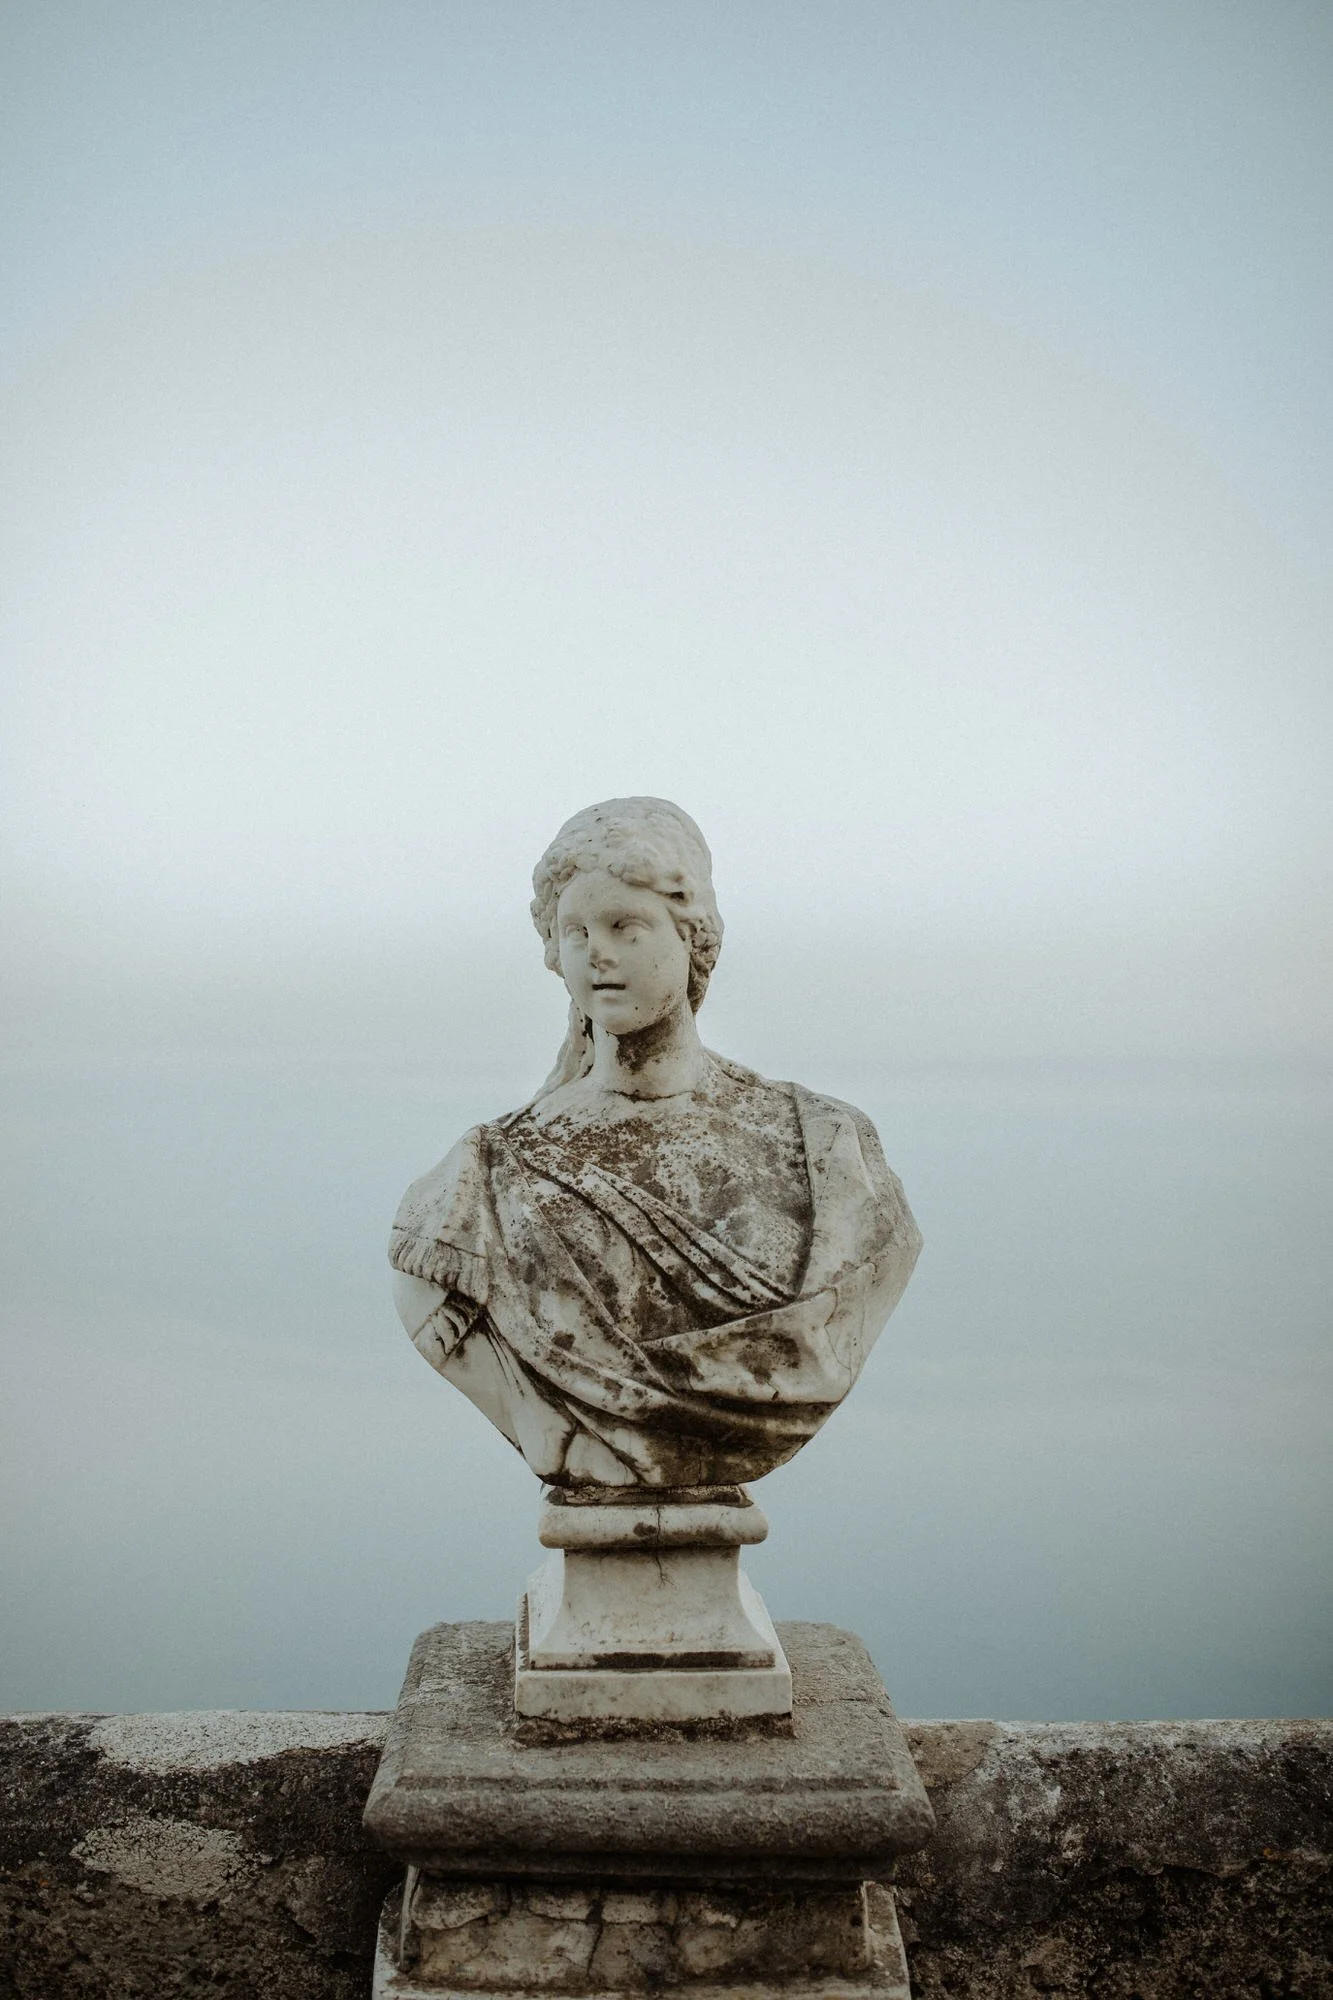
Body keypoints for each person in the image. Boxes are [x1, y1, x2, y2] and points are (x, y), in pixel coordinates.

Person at [389, 797, 921, 1488]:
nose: (598, 953)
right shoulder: (480, 1181)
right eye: (574, 931)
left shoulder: (826, 1147)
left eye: (624, 925)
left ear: (692, 938)